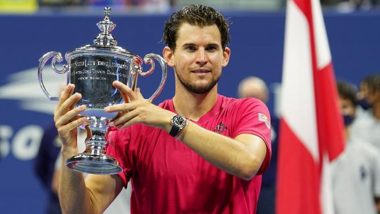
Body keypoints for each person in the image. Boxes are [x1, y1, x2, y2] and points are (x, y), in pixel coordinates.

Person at [54, 4, 272, 214]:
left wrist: (170, 122)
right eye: (190, 48)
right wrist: (69, 151)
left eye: (211, 49)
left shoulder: (247, 110)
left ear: (225, 56)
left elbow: (248, 162)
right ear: (169, 56)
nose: (202, 59)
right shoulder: (136, 128)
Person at [332, 81, 380, 214]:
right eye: (334, 107)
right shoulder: (317, 158)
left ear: (354, 111)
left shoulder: (371, 155)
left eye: (345, 106)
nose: (340, 112)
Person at [237, 76, 278, 214]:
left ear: (265, 96)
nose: (253, 101)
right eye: (248, 97)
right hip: (240, 189)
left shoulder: (280, 126)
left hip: (269, 190)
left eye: (256, 96)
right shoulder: (231, 124)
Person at [350, 73, 380, 151]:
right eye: (361, 90)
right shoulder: (359, 121)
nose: (361, 95)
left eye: (365, 90)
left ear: (378, 91)